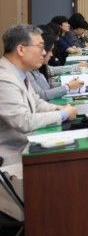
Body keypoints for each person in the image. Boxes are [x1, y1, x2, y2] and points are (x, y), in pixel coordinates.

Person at [0, 24, 77, 166]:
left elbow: (36, 102)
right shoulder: (3, 79)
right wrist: (62, 114)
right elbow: (23, 121)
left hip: (27, 148)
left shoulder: (19, 73)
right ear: (21, 50)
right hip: (12, 161)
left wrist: (57, 108)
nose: (44, 52)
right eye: (40, 47)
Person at [27, 26, 82, 101]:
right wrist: (68, 86)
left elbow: (47, 85)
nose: (51, 54)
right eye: (50, 50)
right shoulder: (27, 71)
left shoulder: (35, 68)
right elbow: (41, 95)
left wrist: (70, 84)